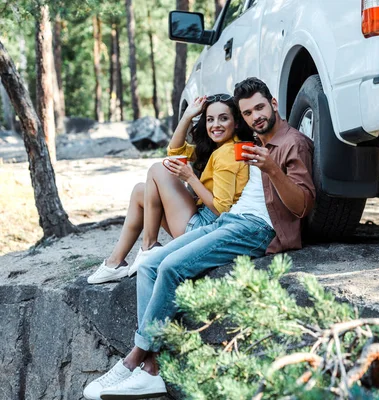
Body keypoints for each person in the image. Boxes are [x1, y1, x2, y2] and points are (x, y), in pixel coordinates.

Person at [83, 77, 315, 399]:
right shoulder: (256, 141)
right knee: (151, 265)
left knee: (171, 268)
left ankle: (136, 359)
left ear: (274, 104)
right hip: (230, 221)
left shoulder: (295, 143)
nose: (255, 117)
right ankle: (152, 369)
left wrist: (273, 169)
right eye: (248, 113)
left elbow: (303, 206)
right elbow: (179, 157)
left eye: (260, 108)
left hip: (256, 229)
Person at [87, 94, 253, 284]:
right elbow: (174, 151)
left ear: (236, 123)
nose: (216, 124)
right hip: (201, 220)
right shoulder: (219, 147)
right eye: (210, 119)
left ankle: (149, 247)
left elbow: (222, 209)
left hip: (205, 229)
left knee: (158, 170)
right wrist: (187, 116)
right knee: (141, 190)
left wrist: (190, 178)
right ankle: (115, 263)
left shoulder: (227, 154)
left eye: (223, 118)